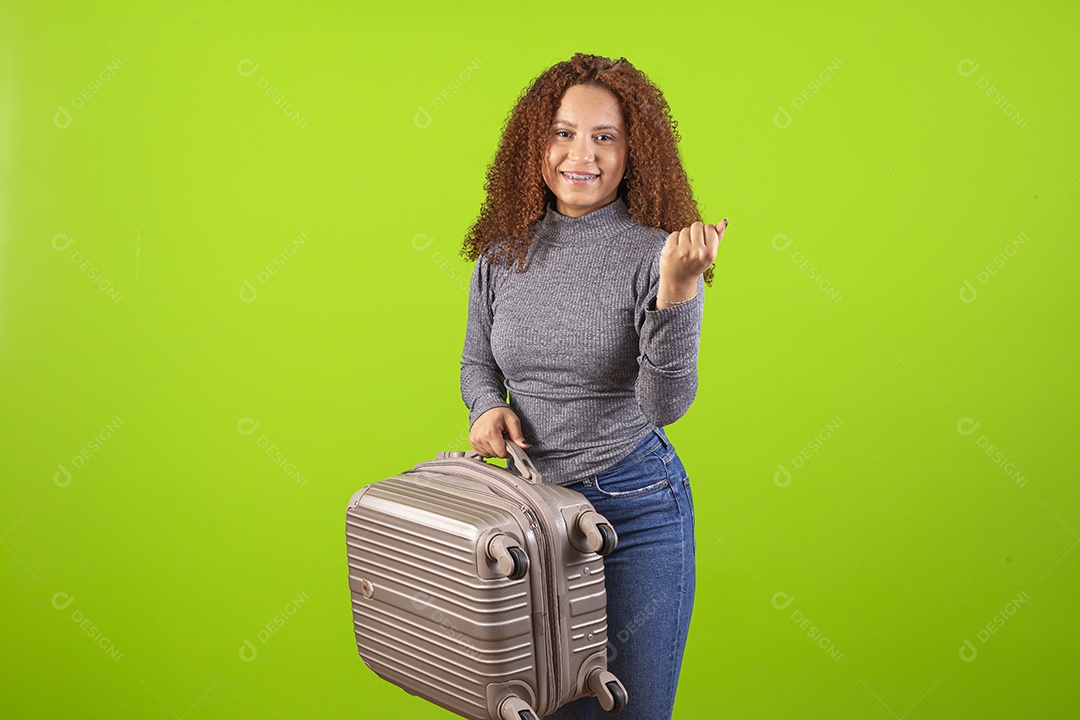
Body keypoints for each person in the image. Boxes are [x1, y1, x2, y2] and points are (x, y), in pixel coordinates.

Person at [459, 52, 727, 720]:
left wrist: (679, 291)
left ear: (634, 152)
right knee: (545, 706)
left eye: (605, 136)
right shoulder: (503, 252)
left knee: (625, 712)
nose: (581, 154)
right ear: (535, 145)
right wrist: (489, 406)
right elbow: (476, 363)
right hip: (529, 515)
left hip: (631, 510)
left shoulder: (657, 253)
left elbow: (665, 406)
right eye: (563, 132)